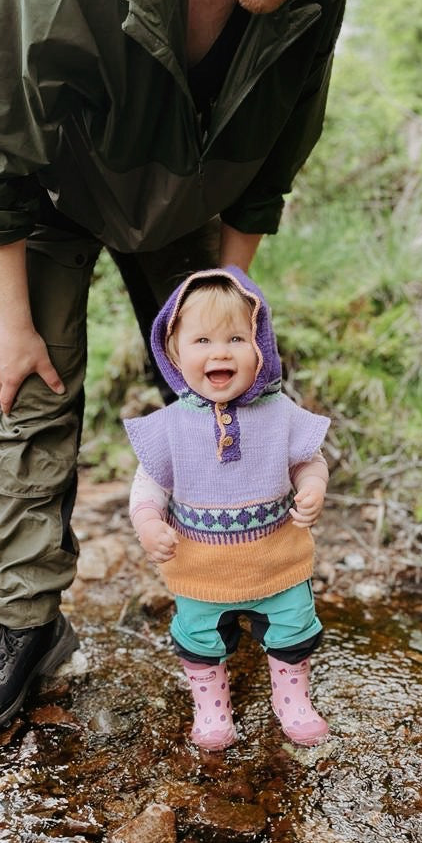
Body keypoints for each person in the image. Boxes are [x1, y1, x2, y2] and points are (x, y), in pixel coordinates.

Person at [0, 0, 346, 737]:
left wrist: (228, 308)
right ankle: (27, 629)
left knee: (233, 394)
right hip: (45, 197)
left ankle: (248, 582)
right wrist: (12, 324)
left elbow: (275, 146)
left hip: (186, 201)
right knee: (35, 395)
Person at [125, 267, 330, 749]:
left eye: (236, 337)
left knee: (293, 629)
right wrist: (147, 522)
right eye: (201, 340)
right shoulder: (170, 425)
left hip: (278, 561)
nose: (219, 351)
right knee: (199, 640)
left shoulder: (280, 412)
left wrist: (313, 487)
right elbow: (148, 485)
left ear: (261, 347)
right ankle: (212, 708)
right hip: (200, 569)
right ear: (173, 353)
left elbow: (308, 461)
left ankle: (291, 697)